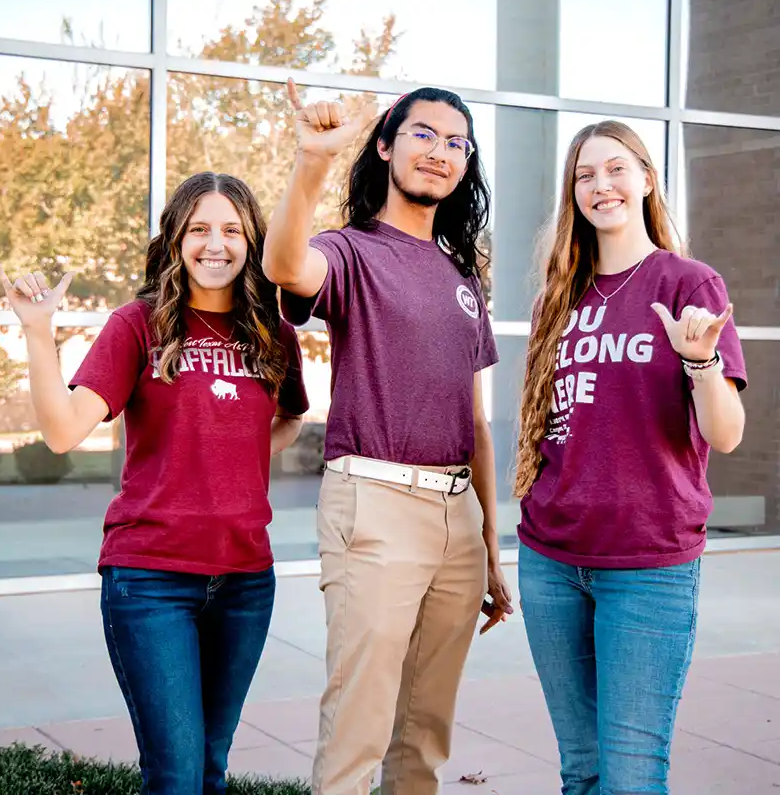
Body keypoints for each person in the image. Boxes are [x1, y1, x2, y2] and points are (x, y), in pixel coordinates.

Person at [0, 172, 309, 795]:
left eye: (230, 229)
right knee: (175, 775)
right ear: (175, 240)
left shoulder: (274, 334)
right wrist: (37, 331)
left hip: (246, 580)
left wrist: (230, 455)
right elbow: (62, 432)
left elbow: (291, 418)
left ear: (251, 241)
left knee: (210, 769)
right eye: (198, 229)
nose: (214, 244)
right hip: (152, 577)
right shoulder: (139, 325)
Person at [261, 80, 514, 795]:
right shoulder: (349, 251)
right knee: (359, 731)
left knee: (424, 734)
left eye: (456, 143)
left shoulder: (463, 275)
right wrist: (312, 161)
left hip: (457, 518)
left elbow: (474, 425)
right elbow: (286, 266)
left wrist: (491, 547)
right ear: (385, 146)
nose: (440, 152)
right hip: (373, 501)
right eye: (423, 134)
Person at [514, 120, 747, 794]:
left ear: (646, 179)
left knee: (632, 776)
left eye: (616, 169)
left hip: (648, 565)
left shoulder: (688, 284)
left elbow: (725, 433)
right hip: (551, 562)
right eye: (585, 175)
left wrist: (698, 360)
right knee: (581, 772)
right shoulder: (557, 298)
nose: (601, 185)